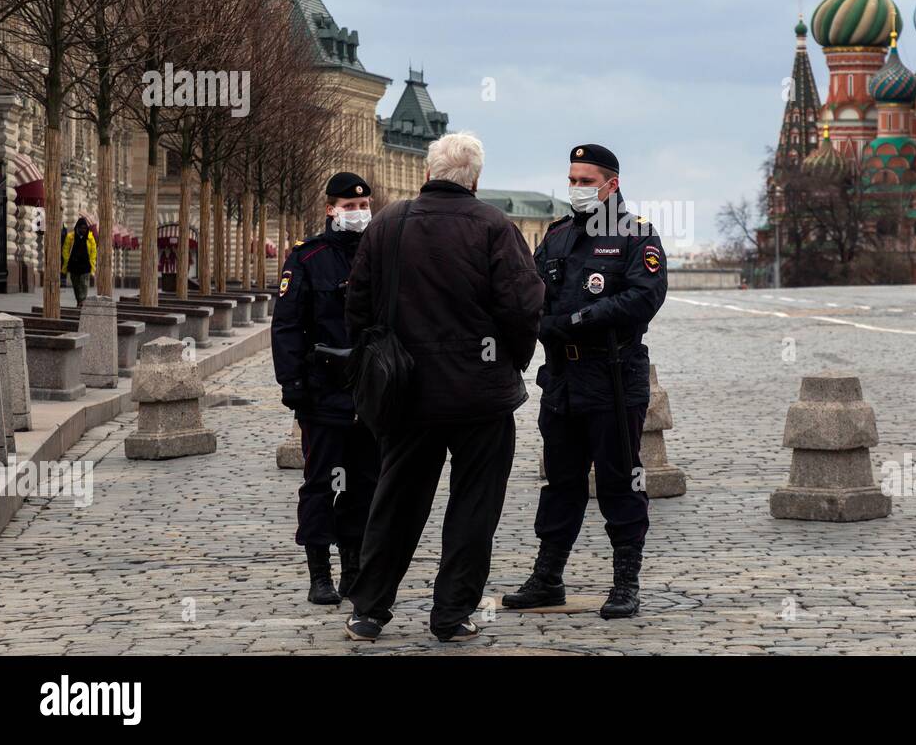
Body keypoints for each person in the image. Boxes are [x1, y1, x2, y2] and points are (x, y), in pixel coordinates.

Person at [342, 132, 544, 643]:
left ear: (427, 174)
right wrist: (509, 362)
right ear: (475, 179)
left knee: (396, 501)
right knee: (474, 508)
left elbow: (357, 307)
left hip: (405, 391)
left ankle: (369, 609)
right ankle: (451, 614)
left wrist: (378, 359)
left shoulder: (388, 223)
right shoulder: (495, 226)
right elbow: (522, 307)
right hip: (479, 394)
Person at [502, 143, 667, 619]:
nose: (576, 188)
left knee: (620, 480)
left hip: (613, 375)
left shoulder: (636, 236)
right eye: (572, 180)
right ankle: (548, 576)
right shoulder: (556, 237)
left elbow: (643, 298)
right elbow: (529, 292)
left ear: (611, 185)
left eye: (585, 181)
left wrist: (576, 320)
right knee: (560, 480)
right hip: (563, 380)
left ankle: (624, 582)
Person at [271, 172, 381, 606]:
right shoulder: (308, 256)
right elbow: (287, 325)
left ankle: (354, 567)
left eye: (364, 206)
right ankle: (320, 573)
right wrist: (293, 384)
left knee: (364, 483)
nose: (359, 213)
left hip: (370, 392)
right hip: (322, 391)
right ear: (331, 209)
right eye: (350, 207)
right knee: (320, 483)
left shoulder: (381, 254)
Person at [62, 218, 97, 306]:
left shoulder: (90, 238)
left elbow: (93, 252)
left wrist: (92, 264)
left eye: (85, 228)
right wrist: (67, 260)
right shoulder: (70, 237)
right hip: (74, 265)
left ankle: (82, 301)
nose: (83, 230)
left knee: (84, 284)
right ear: (77, 228)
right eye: (81, 228)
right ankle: (79, 301)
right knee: (76, 285)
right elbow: (65, 250)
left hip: (85, 266)